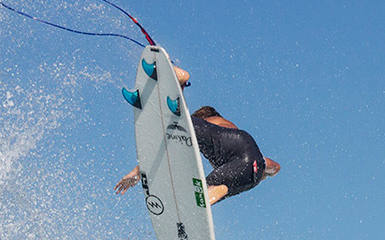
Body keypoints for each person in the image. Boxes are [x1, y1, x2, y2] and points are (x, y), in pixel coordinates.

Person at [114, 67, 280, 206]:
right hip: (252, 172)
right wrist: (263, 173)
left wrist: (138, 171)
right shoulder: (225, 132)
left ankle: (180, 81)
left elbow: (172, 148)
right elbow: (275, 167)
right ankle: (210, 194)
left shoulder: (210, 123)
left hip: (236, 149)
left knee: (178, 126)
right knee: (205, 193)